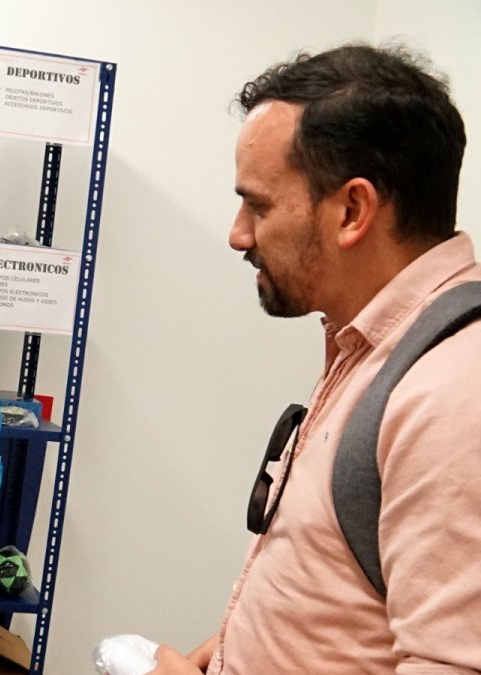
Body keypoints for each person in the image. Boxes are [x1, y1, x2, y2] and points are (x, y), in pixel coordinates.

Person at [150, 44, 480, 673]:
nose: (237, 233)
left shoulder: (452, 394)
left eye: (260, 204)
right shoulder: (375, 346)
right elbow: (346, 599)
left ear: (352, 210)